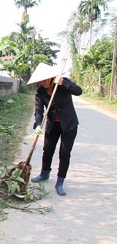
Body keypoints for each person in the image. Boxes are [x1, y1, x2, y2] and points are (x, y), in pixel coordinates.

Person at [27, 63, 82, 195]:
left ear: (51, 78)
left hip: (69, 124)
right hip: (53, 125)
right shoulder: (40, 93)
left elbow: (79, 91)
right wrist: (38, 124)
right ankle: (44, 173)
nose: (42, 82)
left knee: (64, 153)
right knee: (48, 149)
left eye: (45, 79)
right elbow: (39, 111)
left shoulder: (63, 84)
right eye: (40, 80)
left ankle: (60, 182)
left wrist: (64, 83)